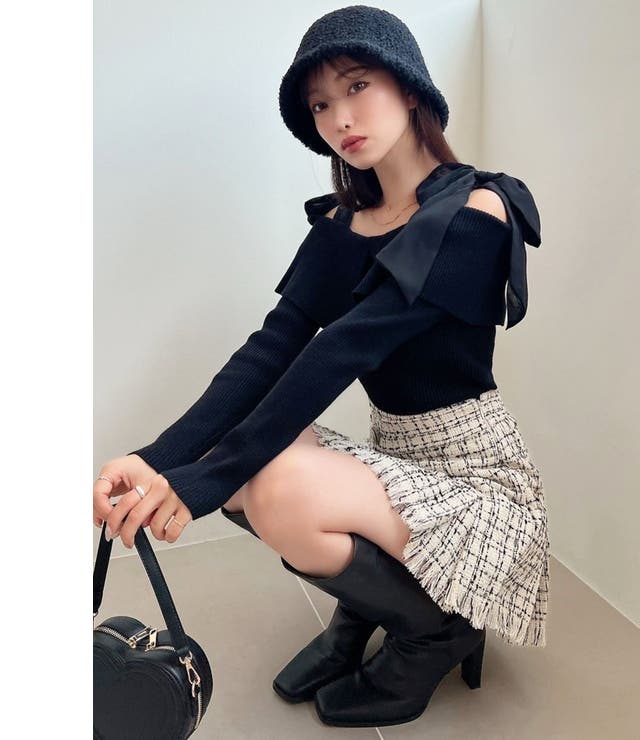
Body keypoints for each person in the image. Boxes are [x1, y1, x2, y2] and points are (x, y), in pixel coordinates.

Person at [92, 4, 550, 729]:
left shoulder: (476, 210)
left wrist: (201, 483)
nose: (340, 118)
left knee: (274, 484)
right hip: (398, 461)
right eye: (320, 105)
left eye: (357, 86)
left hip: (476, 482)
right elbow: (272, 350)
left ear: (409, 87)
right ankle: (365, 612)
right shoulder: (343, 225)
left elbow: (341, 350)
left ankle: (435, 632)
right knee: (240, 453)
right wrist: (158, 461)